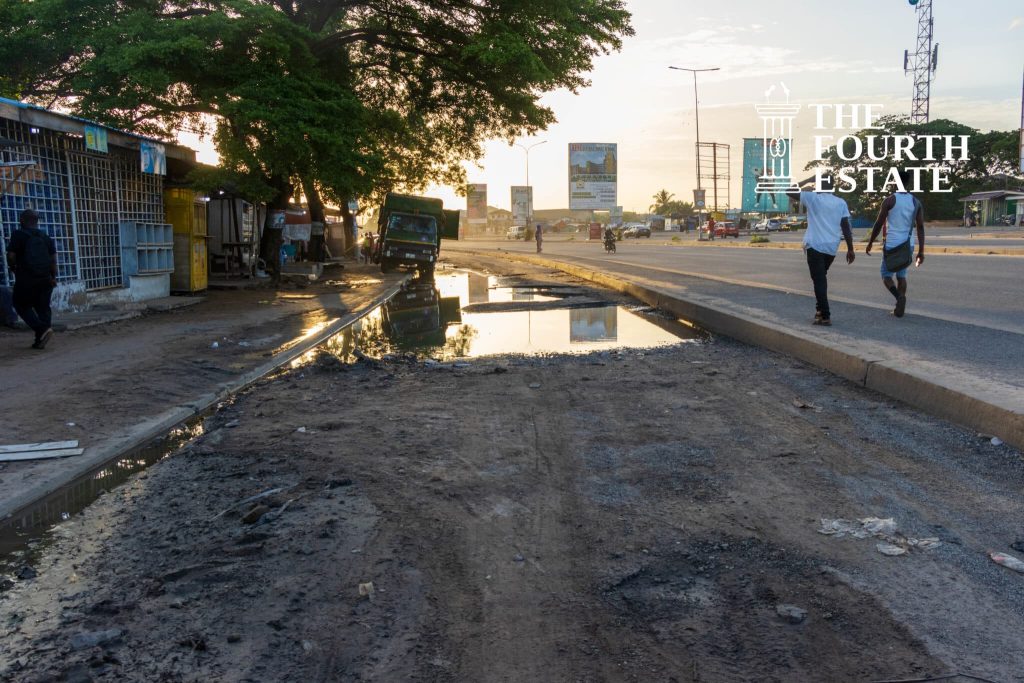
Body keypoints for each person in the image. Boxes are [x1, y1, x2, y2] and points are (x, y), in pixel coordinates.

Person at [788, 175, 855, 326]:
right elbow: (846, 226)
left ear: (818, 185)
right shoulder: (840, 202)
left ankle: (825, 315)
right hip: (831, 247)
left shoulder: (812, 198)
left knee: (819, 280)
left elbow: (789, 190)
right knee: (820, 278)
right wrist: (850, 249)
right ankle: (819, 311)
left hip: (815, 245)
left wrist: (808, 179)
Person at [865, 169, 925, 318]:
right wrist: (921, 251)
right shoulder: (915, 202)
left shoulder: (889, 200)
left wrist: (871, 242)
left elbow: (878, 223)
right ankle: (899, 308)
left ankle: (899, 298)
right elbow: (921, 227)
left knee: (886, 275)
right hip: (908, 244)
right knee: (901, 275)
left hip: (892, 244)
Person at [6, 209, 57, 349]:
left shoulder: (18, 234)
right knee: (43, 308)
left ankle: (41, 330)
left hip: (26, 279)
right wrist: (53, 277)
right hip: (46, 279)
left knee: (20, 304)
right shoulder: (45, 237)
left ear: (22, 220)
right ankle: (41, 338)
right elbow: (53, 260)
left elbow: (11, 256)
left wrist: (14, 268)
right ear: (37, 221)